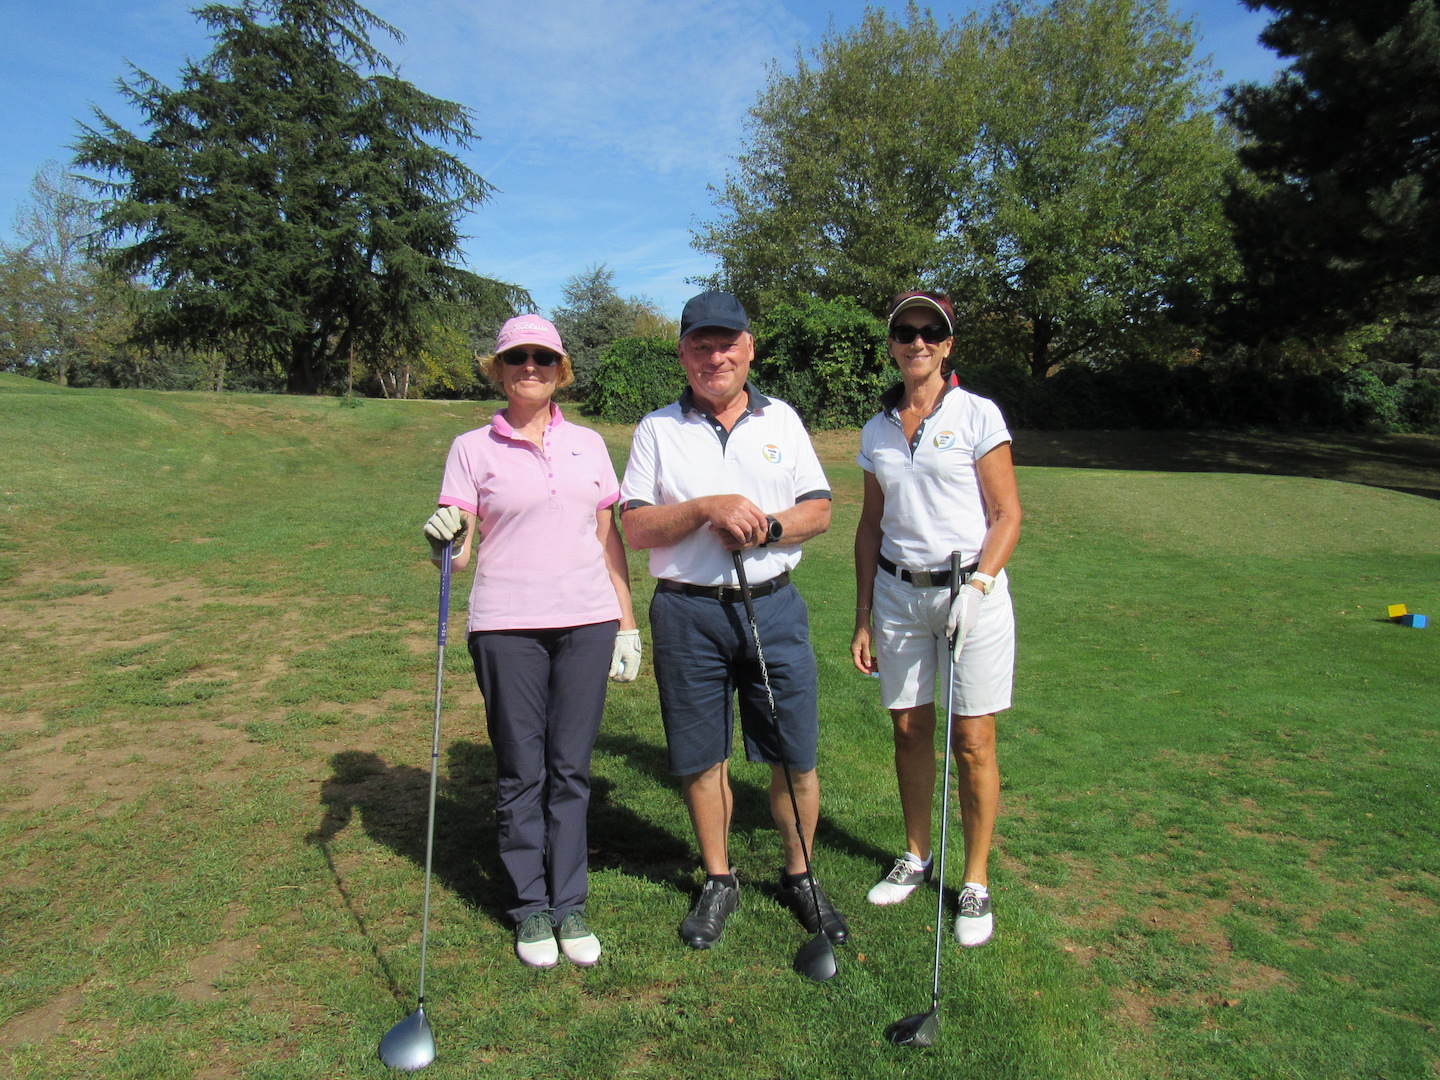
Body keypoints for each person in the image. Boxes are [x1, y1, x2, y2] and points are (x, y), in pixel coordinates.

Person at [619, 290, 847, 950]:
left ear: (749, 348)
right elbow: (635, 526)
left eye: (726, 343)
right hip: (687, 613)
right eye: (700, 345)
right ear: (683, 354)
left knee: (794, 754)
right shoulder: (657, 429)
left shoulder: (783, 421)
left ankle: (800, 874)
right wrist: (704, 508)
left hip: (771, 607)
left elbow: (821, 511)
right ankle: (719, 879)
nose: (713, 356)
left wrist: (768, 528)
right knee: (700, 757)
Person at [422, 314, 642, 969]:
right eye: (516, 357)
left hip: (586, 621)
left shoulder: (592, 445)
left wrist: (627, 622)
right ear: (498, 367)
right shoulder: (471, 447)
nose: (529, 368)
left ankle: (569, 902)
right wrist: (440, 539)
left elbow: (609, 539)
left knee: (572, 771)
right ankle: (530, 907)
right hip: (506, 625)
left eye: (543, 359)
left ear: (560, 370)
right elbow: (457, 551)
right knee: (523, 771)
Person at [850, 290, 1022, 947]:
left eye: (930, 331)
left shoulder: (977, 416)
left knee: (973, 740)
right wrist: (863, 614)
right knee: (908, 728)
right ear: (892, 343)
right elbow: (871, 525)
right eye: (905, 331)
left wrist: (979, 585)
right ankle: (917, 855)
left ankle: (974, 880)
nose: (916, 341)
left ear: (947, 345)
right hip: (898, 595)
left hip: (969, 593)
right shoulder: (877, 429)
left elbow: (1007, 513)